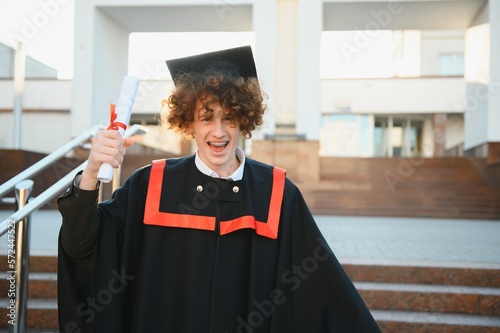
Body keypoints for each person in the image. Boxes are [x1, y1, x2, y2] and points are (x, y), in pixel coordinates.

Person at [57, 46, 381, 333]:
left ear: (245, 121)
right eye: (206, 118)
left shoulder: (277, 193)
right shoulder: (151, 185)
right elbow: (84, 247)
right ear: (189, 123)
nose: (219, 131)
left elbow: (322, 291)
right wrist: (90, 171)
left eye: (229, 117)